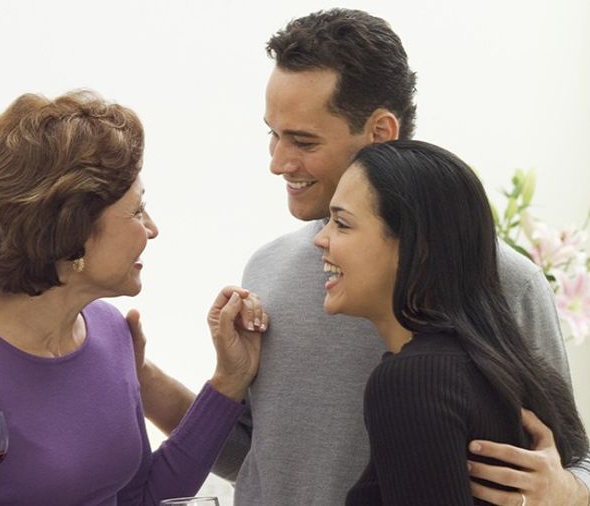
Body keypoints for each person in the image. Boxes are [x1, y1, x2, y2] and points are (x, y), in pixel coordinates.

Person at [135, 8, 590, 505]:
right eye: (273, 132)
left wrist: (567, 491)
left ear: (380, 132)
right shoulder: (269, 270)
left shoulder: (504, 279)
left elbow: (571, 456)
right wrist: (142, 379)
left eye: (302, 140)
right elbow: (260, 458)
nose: (277, 162)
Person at [0, 90, 265, 505]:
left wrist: (229, 380)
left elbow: (141, 497)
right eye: (137, 211)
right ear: (75, 229)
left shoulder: (109, 328)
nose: (152, 229)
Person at [313, 139, 589, 504]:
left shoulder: (412, 381)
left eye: (342, 224)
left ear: (417, 246)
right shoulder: (500, 369)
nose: (321, 239)